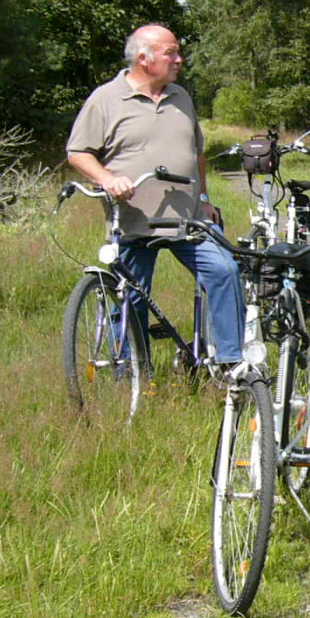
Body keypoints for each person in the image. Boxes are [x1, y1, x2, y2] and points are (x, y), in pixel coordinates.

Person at [66, 23, 243, 367]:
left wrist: (204, 199)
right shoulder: (106, 99)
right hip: (134, 223)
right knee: (130, 298)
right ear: (144, 59)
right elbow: (78, 152)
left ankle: (230, 365)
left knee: (225, 271)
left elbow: (197, 152)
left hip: (187, 221)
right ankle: (131, 374)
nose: (180, 59)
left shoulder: (182, 97)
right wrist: (107, 178)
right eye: (171, 52)